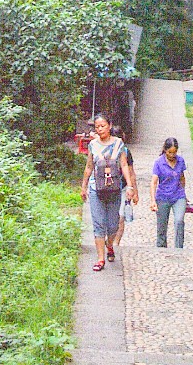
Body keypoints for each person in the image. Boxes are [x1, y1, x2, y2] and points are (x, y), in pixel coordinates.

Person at [79, 113, 139, 271]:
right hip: (95, 188)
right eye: (97, 127)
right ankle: (100, 259)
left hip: (114, 188)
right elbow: (89, 167)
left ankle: (110, 244)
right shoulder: (92, 145)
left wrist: (131, 186)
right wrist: (84, 186)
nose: (100, 129)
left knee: (113, 225)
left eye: (103, 126)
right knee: (98, 224)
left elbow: (125, 166)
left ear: (109, 126)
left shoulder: (119, 144)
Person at [150, 136, 189, 249]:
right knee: (162, 226)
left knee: (179, 221)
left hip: (178, 196)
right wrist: (153, 200)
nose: (172, 155)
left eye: (174, 152)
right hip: (162, 197)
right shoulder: (159, 162)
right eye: (169, 152)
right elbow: (154, 182)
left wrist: (184, 192)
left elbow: (182, 177)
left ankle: (179, 247)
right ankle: (162, 248)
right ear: (165, 150)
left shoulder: (180, 161)